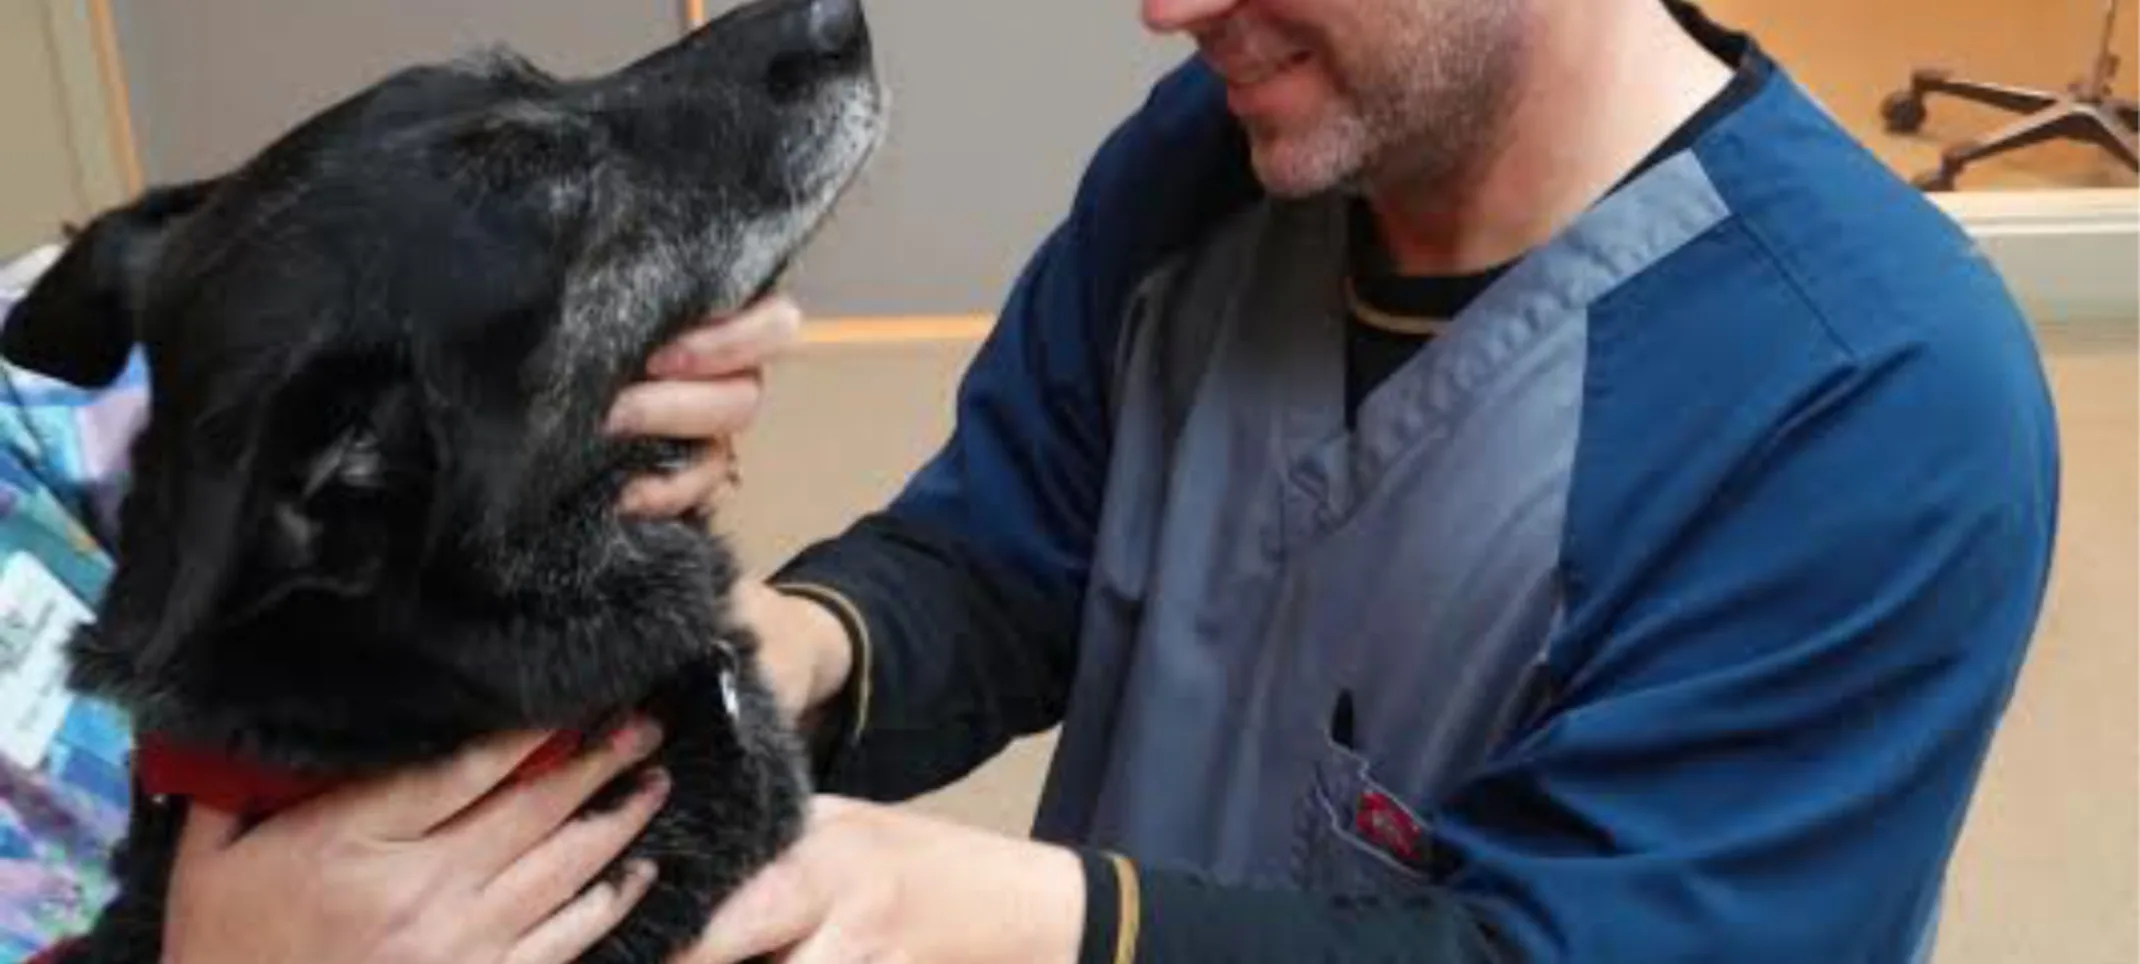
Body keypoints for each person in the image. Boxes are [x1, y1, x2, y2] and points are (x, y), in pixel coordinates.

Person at [151, 0, 2065, 961]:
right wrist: (774, 658)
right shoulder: (1217, 170)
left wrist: (1019, 915)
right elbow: (1008, 560)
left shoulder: (1868, 400)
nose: (1162, 5)